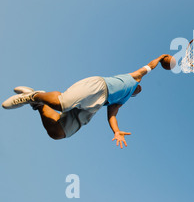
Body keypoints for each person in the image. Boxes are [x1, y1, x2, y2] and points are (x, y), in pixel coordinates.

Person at [2, 54, 171, 148]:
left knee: (58, 133)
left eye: (138, 91)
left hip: (96, 105)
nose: (139, 89)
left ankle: (37, 103)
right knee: (63, 103)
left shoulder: (122, 100)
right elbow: (151, 65)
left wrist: (116, 131)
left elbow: (112, 116)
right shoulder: (135, 77)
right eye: (139, 88)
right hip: (98, 86)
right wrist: (162, 57)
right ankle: (33, 96)